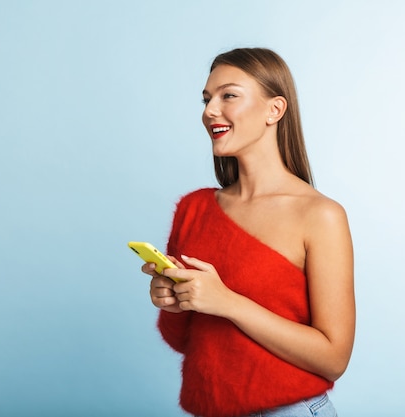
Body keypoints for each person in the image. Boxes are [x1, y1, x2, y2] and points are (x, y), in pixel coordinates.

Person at [141, 48, 355, 417]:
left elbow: (333, 358)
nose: (209, 111)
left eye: (228, 95)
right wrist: (174, 303)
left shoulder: (320, 215)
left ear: (275, 110)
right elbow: (184, 342)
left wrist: (228, 302)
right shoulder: (194, 209)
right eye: (207, 99)